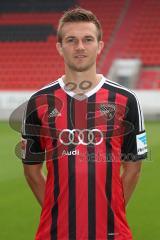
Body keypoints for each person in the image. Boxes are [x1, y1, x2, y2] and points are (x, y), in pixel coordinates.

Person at [21, 7, 147, 240]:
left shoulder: (126, 100)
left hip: (112, 233)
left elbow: (133, 168)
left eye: (88, 39)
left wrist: (111, 210)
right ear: (60, 47)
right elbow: (31, 170)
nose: (80, 47)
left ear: (99, 46)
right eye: (71, 40)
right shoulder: (39, 102)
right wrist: (55, 210)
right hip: (55, 233)